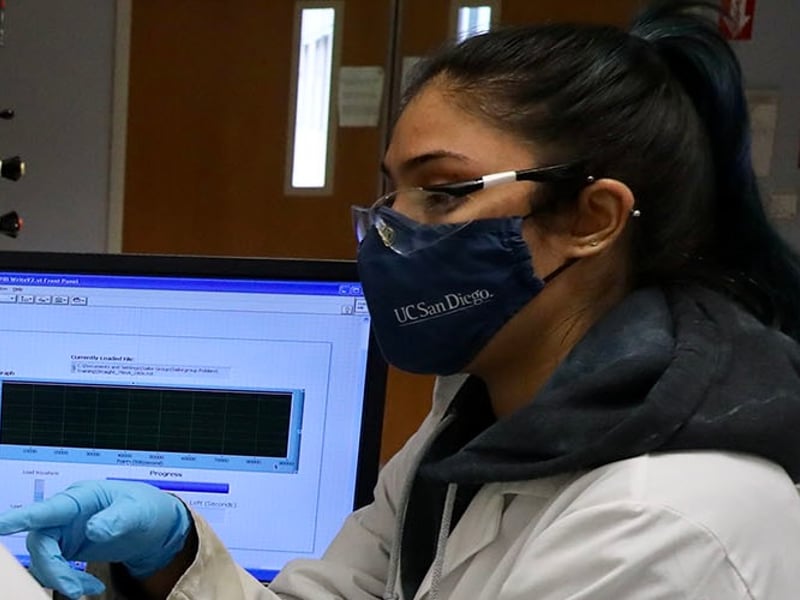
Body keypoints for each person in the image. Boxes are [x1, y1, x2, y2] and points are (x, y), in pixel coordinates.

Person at [2, 0, 800, 597]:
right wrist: (175, 555)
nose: (390, 233)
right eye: (393, 193)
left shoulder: (664, 524)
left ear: (591, 220)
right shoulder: (478, 423)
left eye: (443, 192)